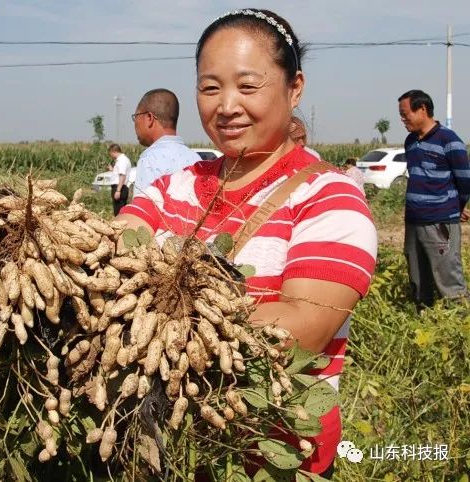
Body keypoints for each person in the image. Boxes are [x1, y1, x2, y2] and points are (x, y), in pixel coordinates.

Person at [119, 9, 377, 477]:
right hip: (167, 453)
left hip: (272, 455)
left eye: (248, 86)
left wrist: (152, 322)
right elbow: (109, 252)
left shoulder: (329, 198)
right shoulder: (167, 189)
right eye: (210, 87)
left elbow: (299, 330)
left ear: (294, 87)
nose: (226, 106)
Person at [398, 89, 470, 308]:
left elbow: (465, 181)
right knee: (418, 278)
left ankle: (459, 323)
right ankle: (424, 321)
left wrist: (455, 208)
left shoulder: (449, 140)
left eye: (405, 113)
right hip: (414, 220)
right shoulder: (410, 141)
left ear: (422, 109)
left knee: (448, 277)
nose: (402, 119)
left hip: (439, 222)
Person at [131, 88, 202, 197]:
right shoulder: (196, 159)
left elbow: (143, 210)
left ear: (149, 118)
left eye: (136, 116)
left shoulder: (149, 160)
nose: (135, 122)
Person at [107, 144, 131, 216]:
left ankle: (119, 226)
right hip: (121, 187)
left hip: (119, 187)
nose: (110, 156)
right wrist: (112, 170)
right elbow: (119, 174)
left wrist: (118, 190)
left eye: (110, 154)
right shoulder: (123, 160)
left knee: (118, 212)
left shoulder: (122, 160)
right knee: (119, 210)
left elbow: (122, 175)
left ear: (113, 151)